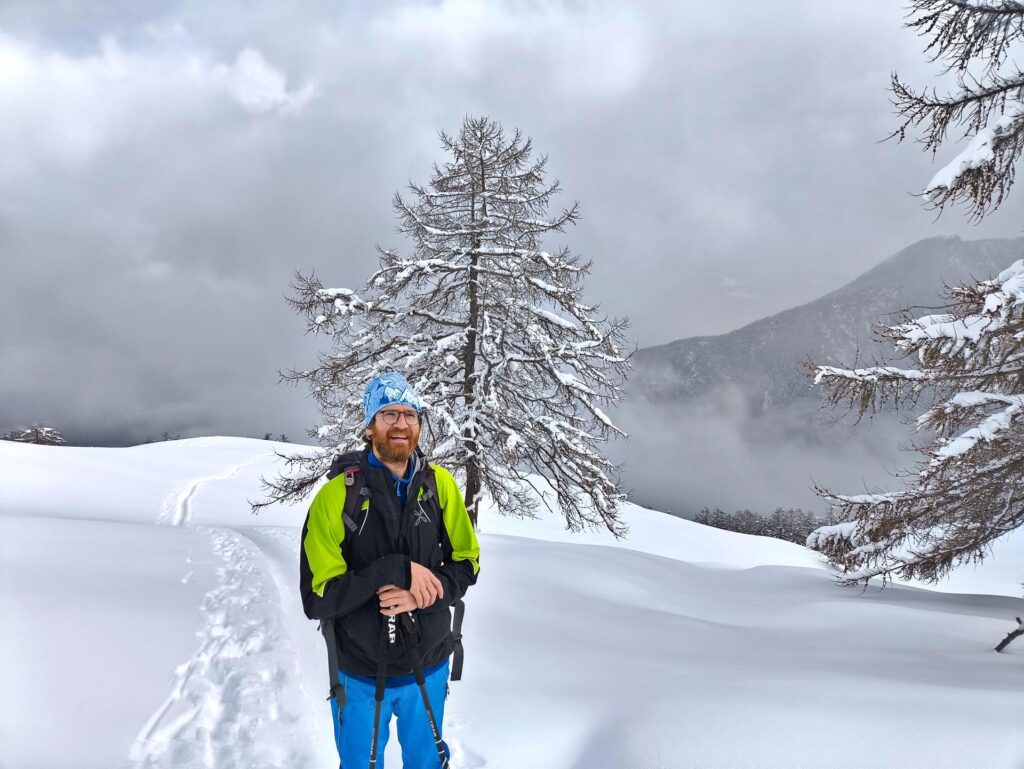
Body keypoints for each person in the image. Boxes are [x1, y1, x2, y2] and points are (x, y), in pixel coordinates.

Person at [300, 372, 480, 769]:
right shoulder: (337, 497)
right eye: (388, 414)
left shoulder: (440, 486)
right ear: (370, 426)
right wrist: (392, 571)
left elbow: (467, 562)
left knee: (426, 763)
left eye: (410, 415)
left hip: (429, 663)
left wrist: (422, 592)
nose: (401, 424)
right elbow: (319, 597)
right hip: (360, 672)